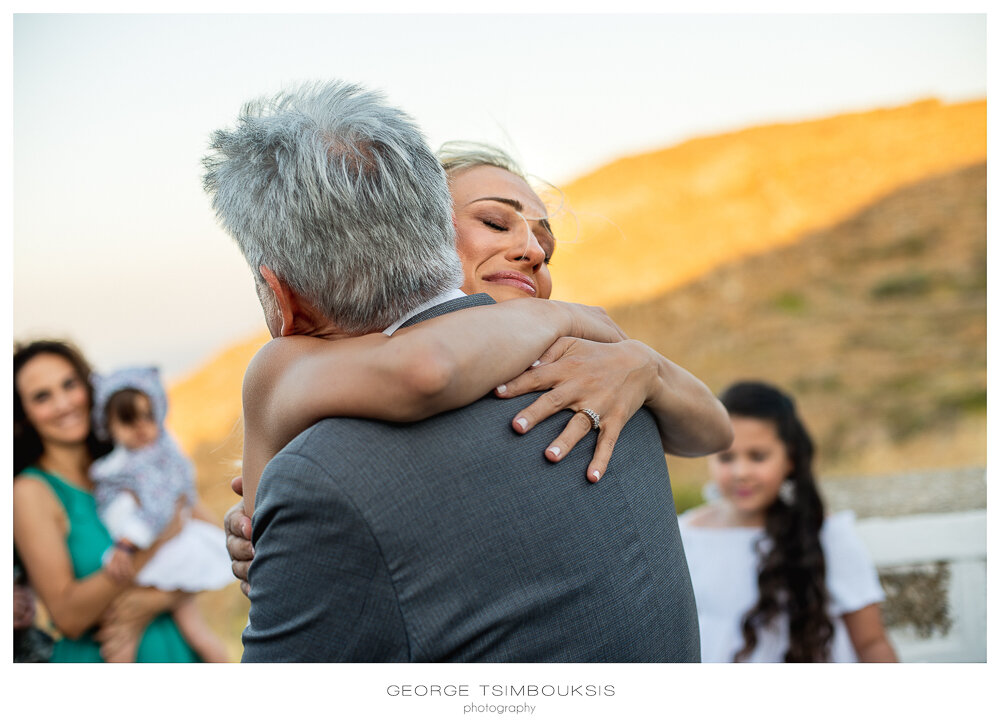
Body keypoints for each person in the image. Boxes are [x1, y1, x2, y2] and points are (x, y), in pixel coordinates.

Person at [204, 79, 706, 661]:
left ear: (281, 298)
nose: (531, 251)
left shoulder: (604, 379)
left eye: (545, 242)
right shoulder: (605, 389)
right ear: (433, 229)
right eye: (494, 222)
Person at [678, 381, 898, 662]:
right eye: (726, 457)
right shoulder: (685, 537)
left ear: (790, 458)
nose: (740, 472)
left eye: (758, 456)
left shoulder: (825, 534)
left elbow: (871, 643)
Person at [13, 340, 202, 662]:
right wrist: (152, 545)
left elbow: (204, 543)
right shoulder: (30, 491)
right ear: (23, 414)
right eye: (42, 396)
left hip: (175, 648)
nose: (63, 404)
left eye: (69, 385)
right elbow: (69, 617)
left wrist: (154, 602)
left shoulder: (127, 461)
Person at [89, 366, 231, 662]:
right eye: (128, 420)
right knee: (132, 636)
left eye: (148, 416)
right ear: (108, 424)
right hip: (151, 553)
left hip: (165, 554)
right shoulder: (117, 465)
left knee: (132, 636)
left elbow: (159, 509)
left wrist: (127, 544)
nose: (140, 426)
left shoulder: (158, 461)